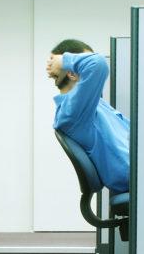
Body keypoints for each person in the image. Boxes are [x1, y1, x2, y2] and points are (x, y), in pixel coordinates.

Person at [46, 39, 130, 193]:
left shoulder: (93, 105)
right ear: (71, 72)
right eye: (80, 62)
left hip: (142, 171)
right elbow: (98, 64)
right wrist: (64, 60)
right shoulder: (72, 112)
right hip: (134, 176)